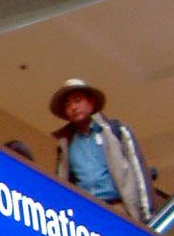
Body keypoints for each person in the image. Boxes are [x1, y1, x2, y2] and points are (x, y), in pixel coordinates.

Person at [49, 78, 153, 222]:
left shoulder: (116, 131)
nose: (73, 107)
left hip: (118, 208)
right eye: (68, 105)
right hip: (85, 213)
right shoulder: (66, 144)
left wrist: (147, 215)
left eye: (78, 101)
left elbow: (138, 171)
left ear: (91, 103)